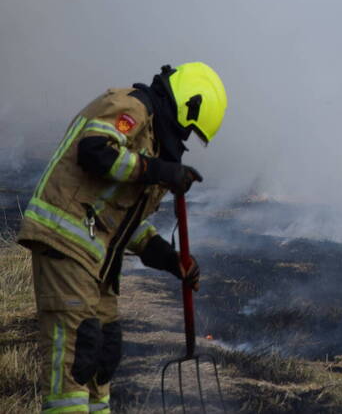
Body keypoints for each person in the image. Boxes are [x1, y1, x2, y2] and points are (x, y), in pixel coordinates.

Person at [17, 62, 227, 414]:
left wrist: (169, 259)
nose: (183, 140)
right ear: (186, 105)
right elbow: (95, 152)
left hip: (98, 261)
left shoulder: (153, 142)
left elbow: (127, 222)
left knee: (103, 355)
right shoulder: (131, 106)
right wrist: (159, 170)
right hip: (66, 242)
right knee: (76, 359)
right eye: (188, 131)